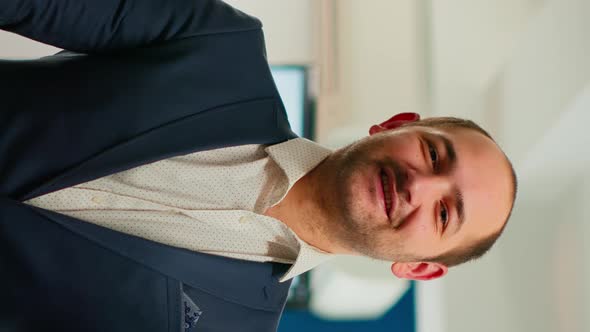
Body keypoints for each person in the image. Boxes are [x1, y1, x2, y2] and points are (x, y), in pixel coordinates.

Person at [0, 0, 517, 331]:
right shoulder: (222, 47)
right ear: (396, 124)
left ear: (419, 268)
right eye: (432, 153)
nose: (419, 185)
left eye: (445, 213)